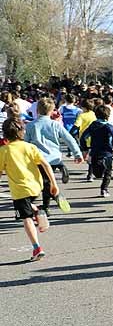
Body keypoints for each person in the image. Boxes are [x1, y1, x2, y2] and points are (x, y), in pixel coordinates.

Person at [0, 117, 57, 261]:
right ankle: (37, 210)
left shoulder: (4, 151)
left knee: (26, 219)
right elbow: (46, 164)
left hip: (20, 190)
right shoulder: (30, 146)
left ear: (4, 134)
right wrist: (53, 183)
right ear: (22, 132)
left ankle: (37, 248)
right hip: (36, 186)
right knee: (27, 205)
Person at [24, 97, 81, 214]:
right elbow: (69, 139)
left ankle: (46, 206)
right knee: (49, 181)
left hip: (38, 160)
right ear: (52, 111)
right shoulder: (56, 124)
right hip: (54, 157)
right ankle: (61, 166)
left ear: (37, 110)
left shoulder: (31, 126)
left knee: (43, 183)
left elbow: (26, 144)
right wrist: (77, 153)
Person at [80, 104, 113, 197]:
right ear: (107, 116)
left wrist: (84, 148)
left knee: (98, 174)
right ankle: (104, 189)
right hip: (107, 152)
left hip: (95, 152)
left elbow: (84, 137)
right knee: (108, 173)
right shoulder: (109, 126)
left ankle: (99, 170)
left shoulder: (93, 125)